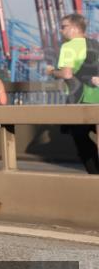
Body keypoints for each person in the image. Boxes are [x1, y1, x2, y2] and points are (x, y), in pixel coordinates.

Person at [45, 13, 98, 174]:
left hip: (80, 99)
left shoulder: (68, 47)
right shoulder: (96, 44)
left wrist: (52, 72)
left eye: (63, 27)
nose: (60, 31)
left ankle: (95, 176)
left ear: (74, 28)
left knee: (80, 139)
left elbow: (67, 74)